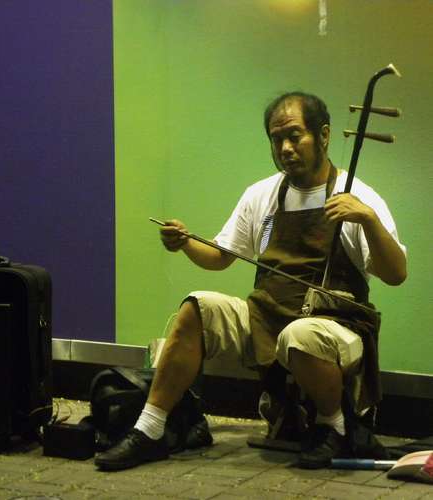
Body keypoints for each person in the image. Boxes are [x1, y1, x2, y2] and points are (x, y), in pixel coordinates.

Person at [95, 91, 407, 471]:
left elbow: (396, 274)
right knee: (196, 308)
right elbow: (220, 256)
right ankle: (151, 428)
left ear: (323, 135)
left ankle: (336, 426)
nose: (286, 148)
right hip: (266, 318)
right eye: (277, 139)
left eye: (295, 136)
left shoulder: (358, 196)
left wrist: (369, 220)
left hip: (333, 327)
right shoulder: (262, 195)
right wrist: (186, 242)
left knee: (300, 336)